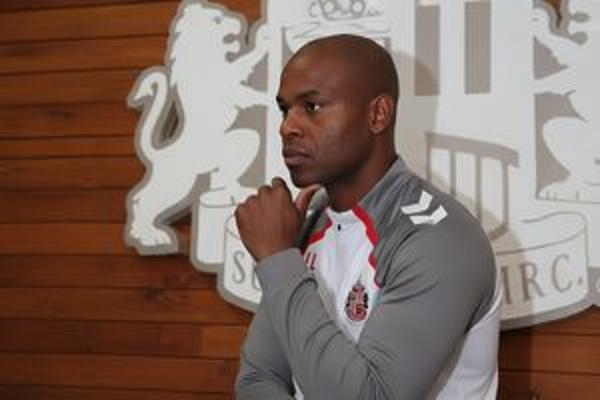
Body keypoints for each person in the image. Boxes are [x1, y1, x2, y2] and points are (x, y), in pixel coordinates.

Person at [234, 34, 501, 399]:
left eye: (311, 106)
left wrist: (278, 259)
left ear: (377, 115)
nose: (287, 127)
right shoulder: (310, 222)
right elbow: (258, 379)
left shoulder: (441, 238)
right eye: (284, 109)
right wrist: (282, 256)